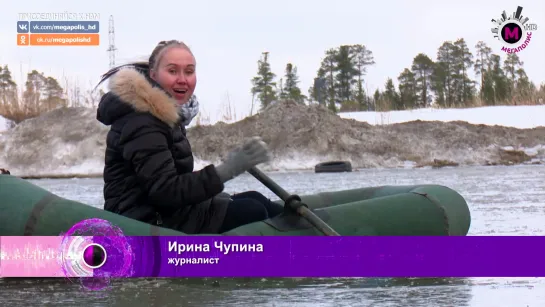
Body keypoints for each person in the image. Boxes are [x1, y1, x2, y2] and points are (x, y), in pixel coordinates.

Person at [95, 39, 284, 234]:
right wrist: (227, 170)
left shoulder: (165, 115)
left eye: (189, 71)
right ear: (153, 74)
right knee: (252, 211)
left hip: (168, 213)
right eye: (173, 71)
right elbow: (165, 191)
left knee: (255, 198)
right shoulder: (143, 121)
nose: (182, 79)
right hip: (145, 223)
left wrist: (214, 195)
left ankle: (310, 242)